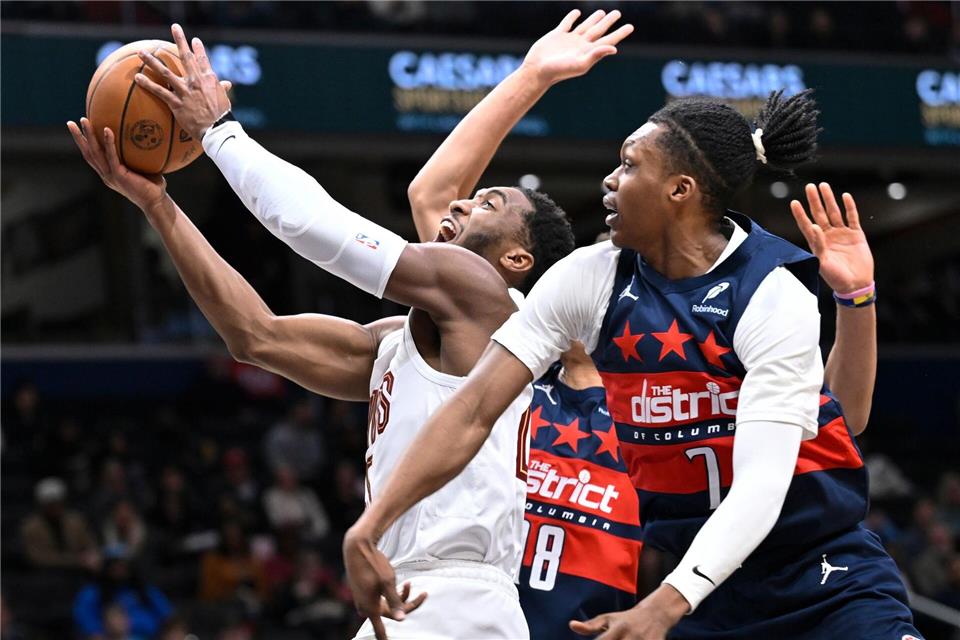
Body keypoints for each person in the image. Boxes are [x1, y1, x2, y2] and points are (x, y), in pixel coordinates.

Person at [69, 13, 630, 639]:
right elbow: (254, 337)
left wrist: (221, 133)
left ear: (517, 262)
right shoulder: (406, 340)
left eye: (488, 204)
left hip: (456, 596)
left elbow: (312, 226)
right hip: (403, 593)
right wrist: (157, 203)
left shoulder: (487, 296)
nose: (463, 203)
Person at [341, 86, 922, 639]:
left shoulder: (770, 294)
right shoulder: (587, 278)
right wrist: (371, 526)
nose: (609, 180)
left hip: (821, 574)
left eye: (629, 164)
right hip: (701, 590)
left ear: (680, 190)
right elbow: (472, 408)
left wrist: (660, 608)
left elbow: (766, 483)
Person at [20, 477, 100, 572]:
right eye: (50, 504)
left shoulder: (76, 521)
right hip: (45, 574)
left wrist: (93, 556)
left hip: (79, 571)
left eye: (57, 502)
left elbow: (91, 545)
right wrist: (74, 560)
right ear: (42, 504)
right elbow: (37, 557)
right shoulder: (30, 527)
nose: (55, 507)